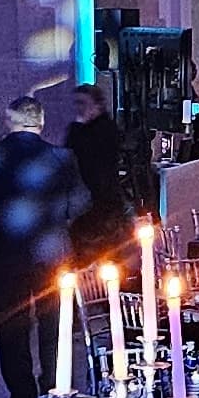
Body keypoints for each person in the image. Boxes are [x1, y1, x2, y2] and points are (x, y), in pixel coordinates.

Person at [0, 99, 86, 398]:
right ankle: (51, 390)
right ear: (41, 122)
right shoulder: (62, 158)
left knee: (11, 329)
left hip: (1, 256)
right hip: (51, 255)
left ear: (9, 122)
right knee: (54, 327)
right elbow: (79, 203)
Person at [63, 80, 132, 263]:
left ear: (97, 105)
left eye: (83, 103)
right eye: (76, 103)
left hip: (102, 204)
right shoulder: (78, 130)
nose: (78, 108)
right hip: (86, 205)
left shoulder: (105, 130)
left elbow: (90, 157)